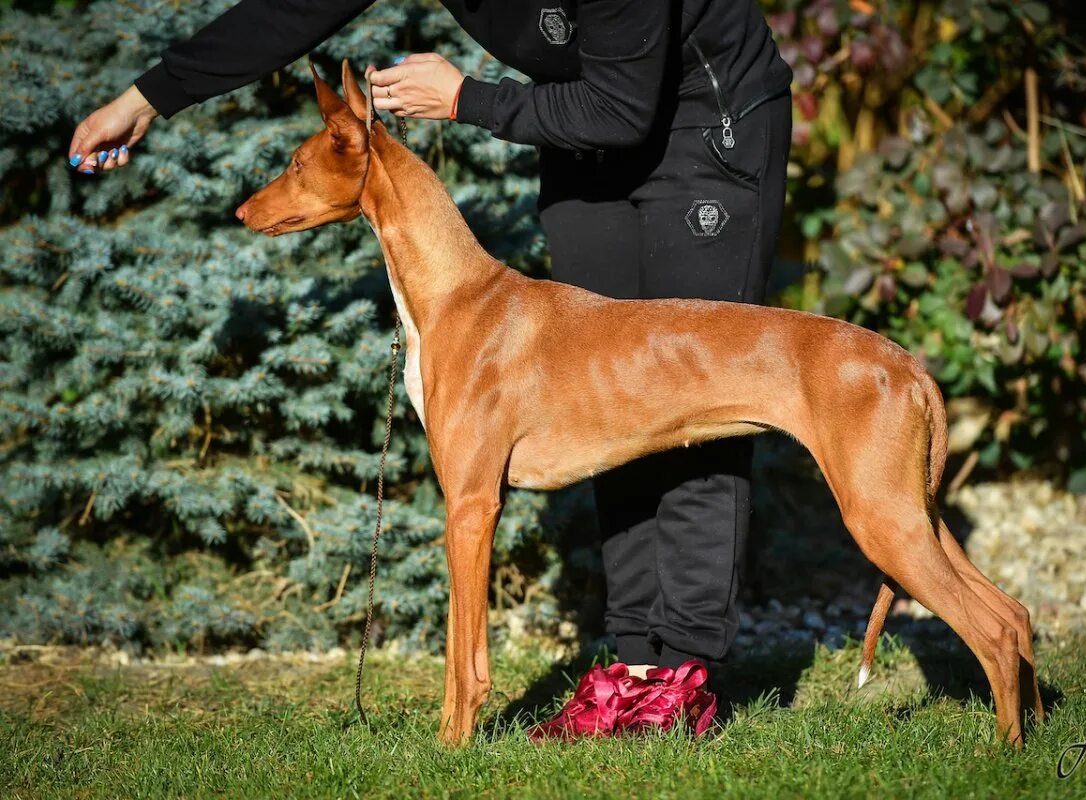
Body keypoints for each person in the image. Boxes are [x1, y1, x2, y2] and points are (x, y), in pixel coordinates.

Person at [68, 0, 793, 726]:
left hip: (706, 116)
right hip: (579, 129)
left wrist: (464, 100)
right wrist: (147, 99)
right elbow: (292, 9)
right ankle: (635, 664)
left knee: (699, 395)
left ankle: (686, 671)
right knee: (604, 401)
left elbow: (626, 105)